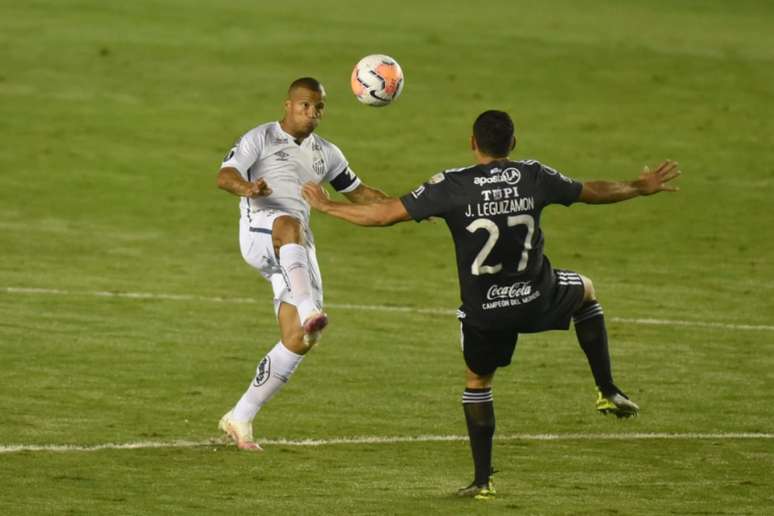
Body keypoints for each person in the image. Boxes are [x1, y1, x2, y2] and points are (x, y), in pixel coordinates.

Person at [302, 110, 680, 498]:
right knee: (585, 291)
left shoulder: (451, 186)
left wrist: (327, 206)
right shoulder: (533, 176)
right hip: (538, 296)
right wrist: (638, 185)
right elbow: (591, 191)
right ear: (513, 144)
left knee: (478, 382)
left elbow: (383, 215)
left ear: (472, 142)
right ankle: (607, 389)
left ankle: (482, 481)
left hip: (485, 311)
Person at [215, 77, 387, 451]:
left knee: (300, 338)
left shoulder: (326, 153)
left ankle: (240, 417)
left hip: (295, 247)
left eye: (318, 107)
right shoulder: (259, 138)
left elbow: (359, 193)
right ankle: (309, 307)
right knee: (288, 223)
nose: (311, 113)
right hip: (261, 232)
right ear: (288, 105)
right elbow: (224, 175)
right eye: (304, 105)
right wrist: (247, 188)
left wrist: (411, 205)